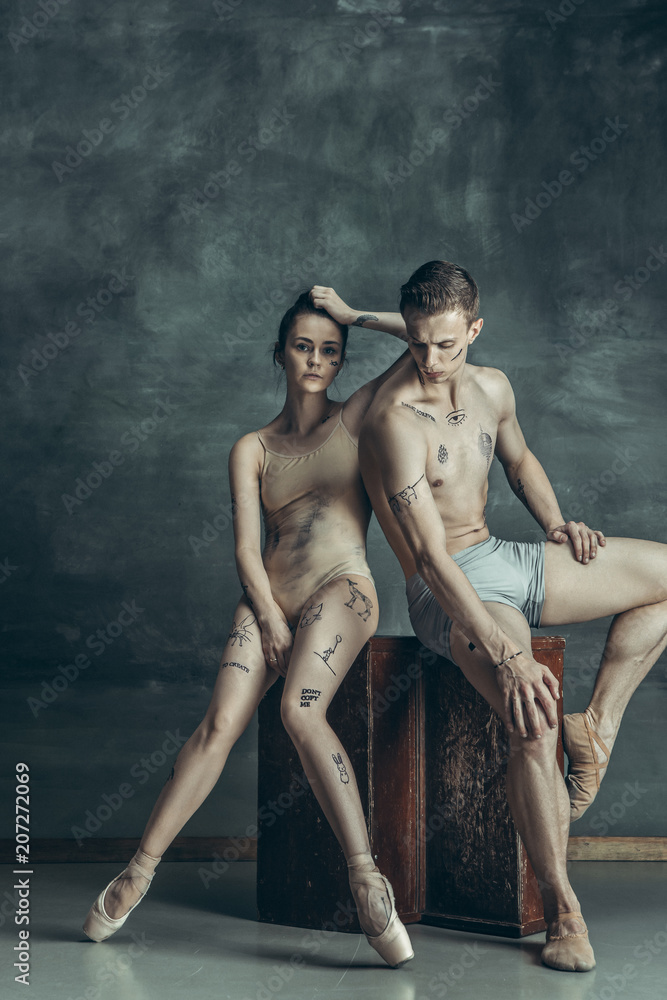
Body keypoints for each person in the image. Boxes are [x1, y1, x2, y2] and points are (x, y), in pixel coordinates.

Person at [312, 264, 667, 973]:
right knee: (530, 717)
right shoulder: (391, 422)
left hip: (506, 556)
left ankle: (594, 728)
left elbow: (520, 460)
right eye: (416, 344)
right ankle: (564, 912)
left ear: (473, 330)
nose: (430, 360)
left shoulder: (492, 387)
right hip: (447, 589)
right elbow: (431, 557)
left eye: (445, 344)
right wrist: (507, 654)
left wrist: (559, 524)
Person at [82, 290, 415, 969]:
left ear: (341, 357)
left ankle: (365, 879)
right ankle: (138, 871)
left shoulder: (354, 419)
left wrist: (352, 314)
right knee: (215, 727)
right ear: (279, 354)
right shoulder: (252, 447)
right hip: (267, 597)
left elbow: (427, 337)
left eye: (329, 349)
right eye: (303, 346)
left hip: (342, 590)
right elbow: (243, 548)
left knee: (299, 710)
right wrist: (265, 614)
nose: (317, 359)